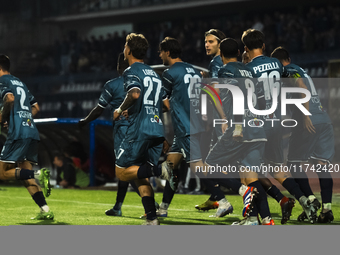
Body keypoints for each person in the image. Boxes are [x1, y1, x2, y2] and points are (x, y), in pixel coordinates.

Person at [242, 28, 317, 223]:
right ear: (264, 46)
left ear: (246, 48)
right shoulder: (276, 63)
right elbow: (289, 81)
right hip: (277, 122)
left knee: (249, 171)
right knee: (277, 170)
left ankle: (257, 218)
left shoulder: (248, 69)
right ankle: (303, 199)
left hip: (259, 124)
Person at [203, 38, 274, 225]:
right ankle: (261, 219)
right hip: (257, 127)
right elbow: (260, 100)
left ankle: (243, 192)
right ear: (238, 51)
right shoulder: (249, 70)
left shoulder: (226, 70)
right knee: (251, 177)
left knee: (209, 167)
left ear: (222, 53)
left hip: (239, 128)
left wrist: (236, 124)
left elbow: (236, 96)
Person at [113, 33, 175, 225]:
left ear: (129, 50)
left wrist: (120, 109)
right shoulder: (155, 75)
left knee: (122, 172)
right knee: (140, 175)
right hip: (156, 129)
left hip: (139, 130)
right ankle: (152, 219)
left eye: (125, 46)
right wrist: (137, 110)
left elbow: (135, 93)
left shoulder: (131, 71)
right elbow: (166, 106)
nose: (124, 49)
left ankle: (160, 170)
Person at [271, 46, 335, 223]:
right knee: (322, 165)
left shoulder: (287, 71)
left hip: (309, 120)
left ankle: (311, 201)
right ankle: (326, 209)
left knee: (293, 163)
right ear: (289, 58)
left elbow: (301, 87)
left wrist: (306, 116)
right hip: (323, 118)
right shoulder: (300, 69)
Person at [79, 52, 140, 216]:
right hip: (141, 129)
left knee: (124, 170)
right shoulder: (140, 83)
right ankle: (118, 206)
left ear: (119, 66)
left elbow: (99, 109)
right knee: (129, 168)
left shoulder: (112, 84)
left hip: (123, 130)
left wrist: (85, 121)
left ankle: (149, 201)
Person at [0, 54, 53, 220]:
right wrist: (23, 119)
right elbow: (36, 107)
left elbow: (9, 99)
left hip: (18, 134)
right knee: (23, 174)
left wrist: (4, 118)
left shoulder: (2, 82)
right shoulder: (19, 82)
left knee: (2, 173)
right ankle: (45, 210)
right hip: (31, 131)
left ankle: (39, 175)